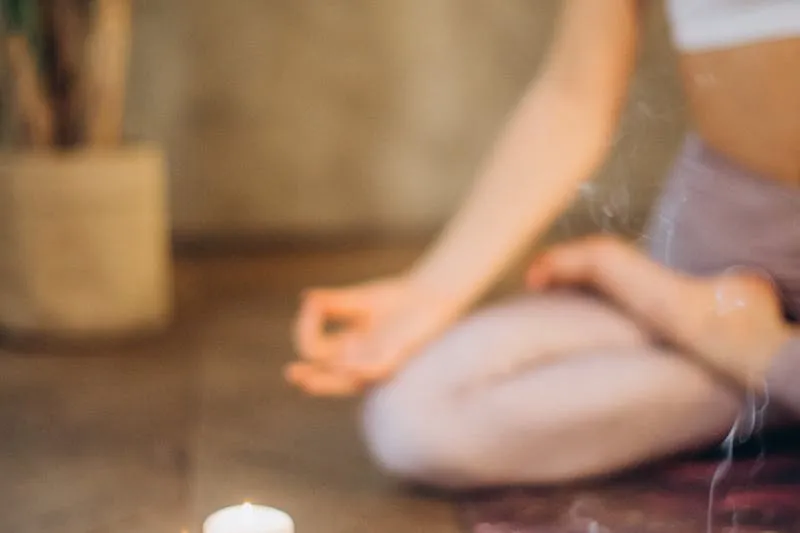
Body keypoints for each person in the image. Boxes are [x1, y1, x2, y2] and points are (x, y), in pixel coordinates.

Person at [287, 0, 800, 489]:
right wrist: (432, 291)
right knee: (416, 415)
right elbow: (574, 95)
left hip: (729, 320)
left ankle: (762, 362)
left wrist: (762, 350)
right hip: (707, 274)